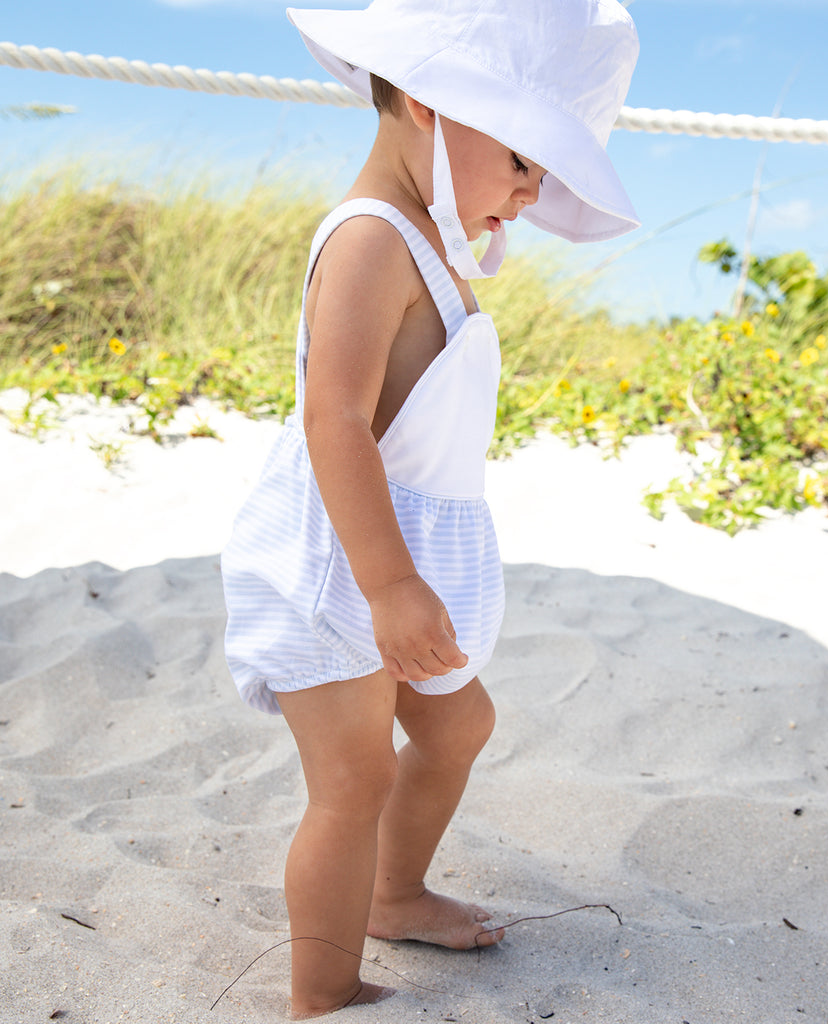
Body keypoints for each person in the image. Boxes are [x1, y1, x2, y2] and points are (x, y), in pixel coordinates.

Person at [220, 0, 639, 1016]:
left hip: (397, 558)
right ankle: (322, 992)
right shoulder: (370, 241)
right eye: (522, 157)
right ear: (428, 102)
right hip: (340, 567)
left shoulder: (430, 240)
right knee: (351, 783)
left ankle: (394, 893)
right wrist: (390, 583)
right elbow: (335, 423)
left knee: (459, 726)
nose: (532, 191)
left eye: (543, 171)